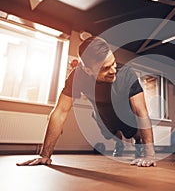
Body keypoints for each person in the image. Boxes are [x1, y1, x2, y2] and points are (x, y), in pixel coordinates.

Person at [17, 36, 156, 167]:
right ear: (87, 70)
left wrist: (150, 155)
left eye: (113, 63)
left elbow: (140, 111)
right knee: (110, 133)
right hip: (101, 113)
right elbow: (59, 112)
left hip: (124, 111)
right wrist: (45, 155)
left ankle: (138, 142)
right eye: (106, 68)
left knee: (133, 131)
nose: (113, 70)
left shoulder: (127, 74)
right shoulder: (77, 77)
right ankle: (118, 143)